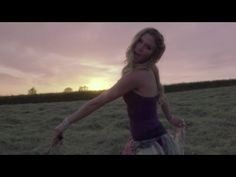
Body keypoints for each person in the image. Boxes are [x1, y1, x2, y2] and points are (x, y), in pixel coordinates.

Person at [51, 27, 186, 155]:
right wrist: (170, 117)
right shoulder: (151, 69)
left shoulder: (137, 75)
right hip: (153, 137)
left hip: (149, 146)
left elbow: (100, 101)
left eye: (148, 47)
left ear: (153, 54)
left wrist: (65, 124)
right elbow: (161, 95)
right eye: (140, 41)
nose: (140, 48)